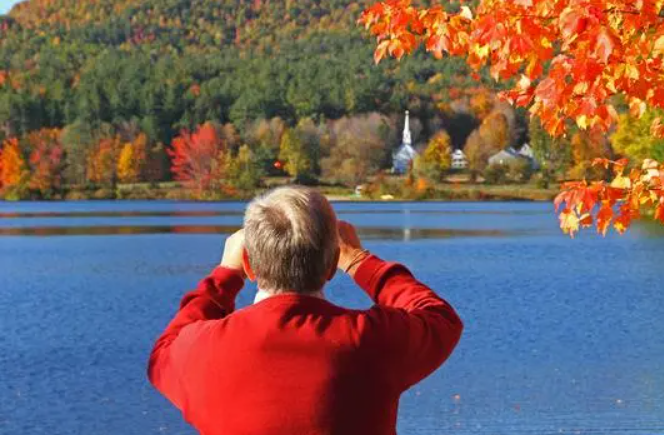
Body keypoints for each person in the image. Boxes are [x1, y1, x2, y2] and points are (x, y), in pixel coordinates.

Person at [148, 186, 463, 435]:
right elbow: (439, 318)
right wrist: (358, 261)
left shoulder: (204, 350)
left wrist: (225, 276)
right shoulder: (370, 340)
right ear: (330, 267)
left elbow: (162, 355)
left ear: (249, 264)